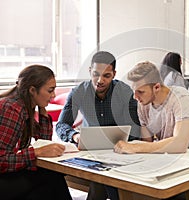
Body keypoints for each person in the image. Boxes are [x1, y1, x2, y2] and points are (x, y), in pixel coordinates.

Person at [55, 51, 140, 200]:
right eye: (95, 74)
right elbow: (61, 124)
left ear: (114, 74)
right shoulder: (79, 92)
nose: (99, 80)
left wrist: (126, 141)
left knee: (103, 178)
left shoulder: (125, 92)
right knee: (101, 176)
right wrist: (75, 135)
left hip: (120, 153)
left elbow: (135, 127)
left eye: (106, 76)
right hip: (89, 152)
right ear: (90, 71)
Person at [0, 65, 72, 200]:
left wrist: (42, 110)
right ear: (32, 90)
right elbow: (1, 160)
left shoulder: (26, 106)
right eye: (50, 90)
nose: (54, 95)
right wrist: (36, 153)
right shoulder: (11, 109)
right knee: (52, 178)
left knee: (44, 190)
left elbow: (43, 141)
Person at [114, 61, 189, 154]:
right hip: (163, 156)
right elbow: (147, 142)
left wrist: (136, 147)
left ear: (156, 87)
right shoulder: (143, 104)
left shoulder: (183, 99)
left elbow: (180, 143)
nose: (135, 97)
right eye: (134, 91)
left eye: (140, 92)